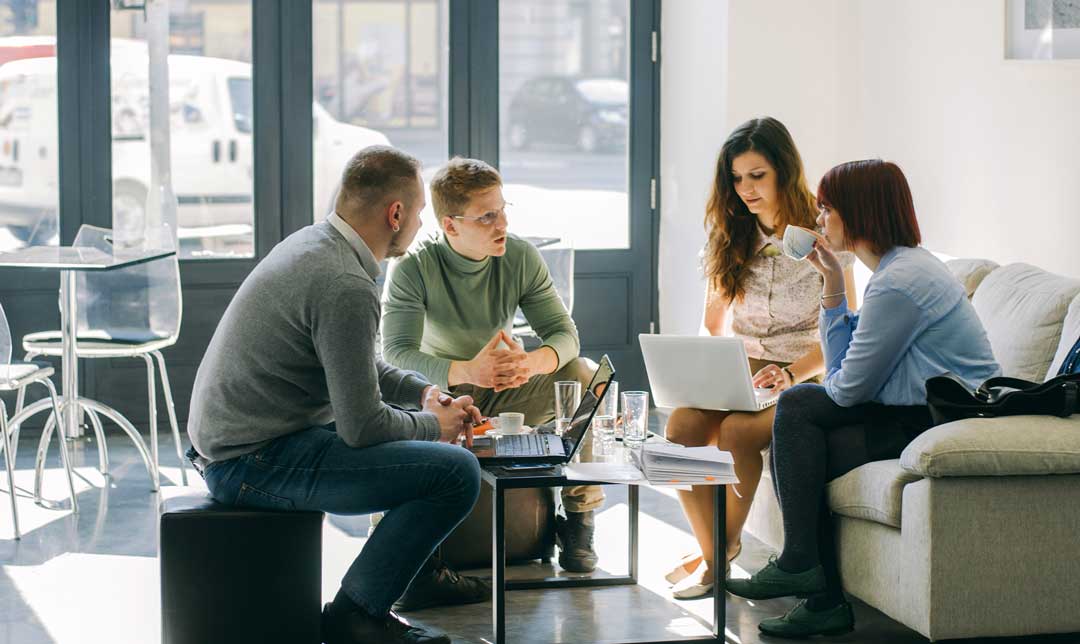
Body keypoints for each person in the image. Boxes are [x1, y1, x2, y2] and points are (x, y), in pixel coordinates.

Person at [186, 145, 485, 644]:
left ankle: (386, 596)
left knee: (431, 454)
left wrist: (426, 393)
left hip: (239, 442)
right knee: (455, 473)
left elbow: (357, 363)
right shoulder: (346, 283)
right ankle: (357, 616)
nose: (419, 226)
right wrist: (438, 426)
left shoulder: (316, 243)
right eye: (417, 214)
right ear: (395, 214)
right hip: (249, 461)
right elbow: (362, 426)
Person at [726, 159, 1000, 638]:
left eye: (827, 209)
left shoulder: (901, 282)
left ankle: (804, 572)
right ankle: (821, 598)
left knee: (797, 408)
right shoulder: (894, 271)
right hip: (918, 411)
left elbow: (847, 387)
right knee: (810, 442)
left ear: (859, 212)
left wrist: (816, 382)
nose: (819, 220)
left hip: (946, 419)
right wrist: (832, 285)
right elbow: (844, 371)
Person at [381, 156, 604, 579]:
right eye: (486, 217)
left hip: (507, 389)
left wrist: (532, 361)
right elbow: (395, 354)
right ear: (451, 226)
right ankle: (406, 554)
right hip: (440, 395)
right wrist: (468, 371)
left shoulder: (520, 255)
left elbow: (565, 334)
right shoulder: (412, 267)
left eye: (503, 211)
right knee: (398, 397)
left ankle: (580, 521)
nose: (501, 224)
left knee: (585, 376)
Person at [663, 117, 857, 600]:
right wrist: (706, 368)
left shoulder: (824, 234)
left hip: (803, 371)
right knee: (680, 431)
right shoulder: (731, 233)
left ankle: (716, 559)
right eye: (736, 177)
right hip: (743, 364)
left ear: (783, 172)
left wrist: (790, 373)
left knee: (736, 432)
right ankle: (716, 555)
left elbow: (844, 331)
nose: (745, 189)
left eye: (757, 175)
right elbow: (713, 323)